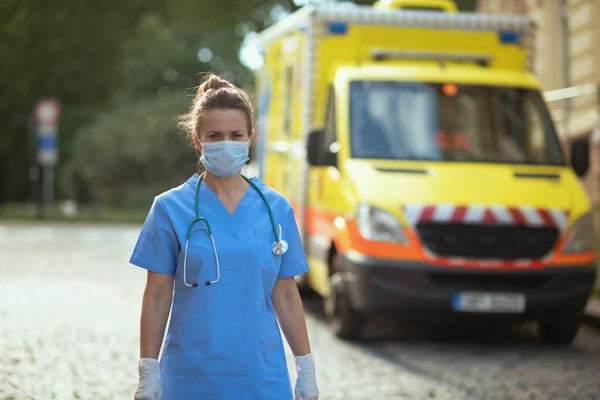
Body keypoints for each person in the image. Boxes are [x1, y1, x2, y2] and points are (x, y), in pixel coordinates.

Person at [130, 73, 320, 400]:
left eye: (236, 135)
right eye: (215, 136)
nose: (226, 143)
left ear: (250, 138)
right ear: (197, 140)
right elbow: (158, 296)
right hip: (190, 375)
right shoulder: (169, 208)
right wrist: (149, 369)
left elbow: (286, 295)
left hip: (262, 377)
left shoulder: (276, 209)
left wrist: (306, 367)